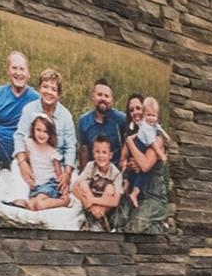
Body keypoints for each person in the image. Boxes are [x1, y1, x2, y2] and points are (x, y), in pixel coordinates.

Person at [123, 94, 171, 231]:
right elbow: (123, 159)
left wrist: (129, 142)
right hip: (138, 191)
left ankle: (159, 226)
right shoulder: (139, 134)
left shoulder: (157, 138)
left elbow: (144, 166)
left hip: (154, 197)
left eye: (138, 108)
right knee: (118, 218)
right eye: (131, 110)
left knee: (135, 225)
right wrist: (129, 167)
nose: (135, 113)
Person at [15, 68, 77, 174]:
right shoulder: (29, 109)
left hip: (57, 165)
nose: (49, 92)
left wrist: (67, 173)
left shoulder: (66, 116)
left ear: (59, 94)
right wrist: (22, 163)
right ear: (39, 88)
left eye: (53, 89)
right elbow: (20, 137)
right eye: (45, 87)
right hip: (31, 161)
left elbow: (70, 147)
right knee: (20, 182)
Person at [5, 114, 69, 212]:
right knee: (31, 205)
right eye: (38, 130)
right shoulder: (29, 143)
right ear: (33, 129)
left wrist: (64, 192)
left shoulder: (52, 151)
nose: (41, 134)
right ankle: (43, 200)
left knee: (39, 204)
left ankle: (63, 202)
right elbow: (25, 160)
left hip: (49, 183)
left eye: (45, 131)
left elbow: (59, 174)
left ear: (50, 133)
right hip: (36, 186)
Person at [0, 51, 36, 168]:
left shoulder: (36, 99)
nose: (18, 73)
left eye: (22, 69)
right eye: (14, 68)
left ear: (28, 73)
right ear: (8, 71)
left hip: (22, 156)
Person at [72, 133, 126, 232]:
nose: (101, 156)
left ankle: (99, 220)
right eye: (97, 152)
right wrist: (88, 203)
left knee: (110, 188)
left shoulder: (116, 174)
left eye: (104, 152)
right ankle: (92, 218)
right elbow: (74, 187)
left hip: (104, 207)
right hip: (89, 205)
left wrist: (92, 200)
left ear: (110, 155)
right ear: (93, 153)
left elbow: (115, 201)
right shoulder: (90, 166)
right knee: (82, 184)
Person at [77, 77, 127, 159]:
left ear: (111, 100)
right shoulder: (84, 121)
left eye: (106, 96)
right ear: (93, 97)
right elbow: (83, 149)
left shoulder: (121, 119)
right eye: (99, 95)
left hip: (115, 167)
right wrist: (84, 171)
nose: (103, 98)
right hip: (93, 167)